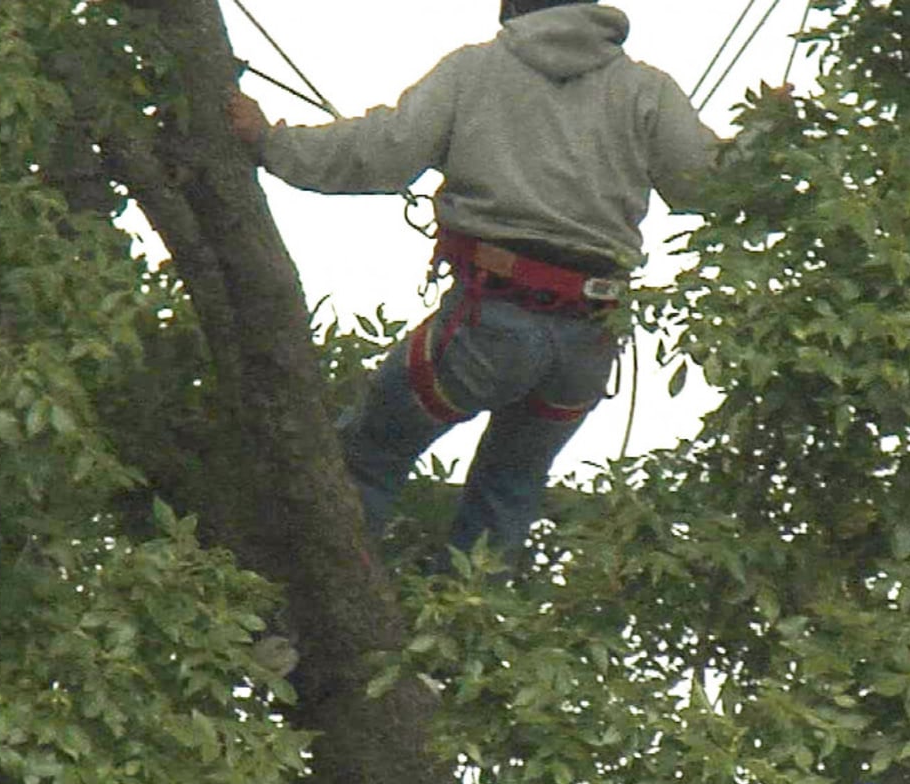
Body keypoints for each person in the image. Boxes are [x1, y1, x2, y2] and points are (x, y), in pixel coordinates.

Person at [226, 0, 723, 571]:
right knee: (507, 493)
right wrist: (773, 135)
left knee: (365, 457)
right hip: (588, 340)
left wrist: (270, 142)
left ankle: (321, 612)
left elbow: (382, 153)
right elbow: (711, 184)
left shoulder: (476, 70)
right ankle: (460, 644)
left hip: (491, 324)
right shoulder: (646, 91)